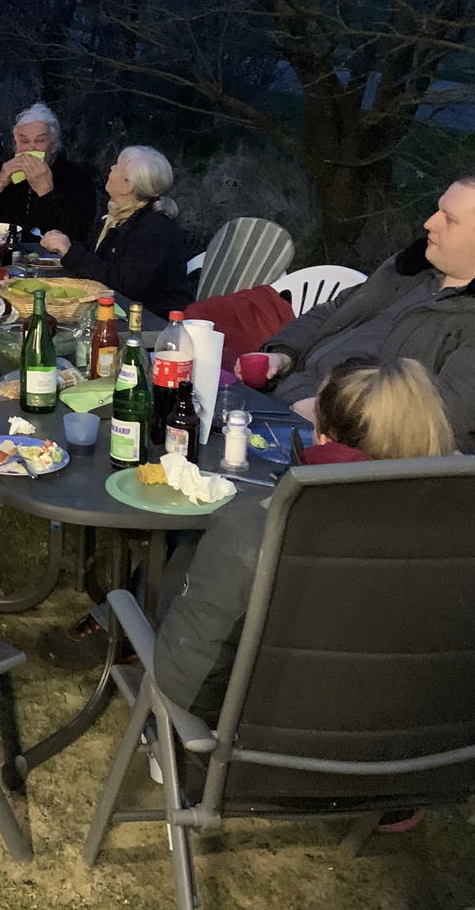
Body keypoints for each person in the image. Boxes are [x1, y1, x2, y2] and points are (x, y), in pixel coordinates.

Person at [152, 358, 455, 723]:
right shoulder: (456, 530)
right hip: (425, 752)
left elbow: (187, 682)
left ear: (322, 435)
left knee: (185, 557)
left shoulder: (261, 529)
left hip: (262, 755)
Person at [235, 174, 475, 449]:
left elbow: (440, 418)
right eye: (437, 209)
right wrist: (282, 355)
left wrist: (332, 414)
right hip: (283, 401)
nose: (429, 223)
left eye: (449, 219)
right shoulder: (408, 269)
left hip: (347, 445)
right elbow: (332, 311)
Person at [41, 145, 193, 313]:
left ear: (127, 185)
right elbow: (96, 256)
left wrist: (71, 252)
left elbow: (124, 286)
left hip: (150, 320)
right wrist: (65, 246)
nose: (111, 168)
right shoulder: (117, 215)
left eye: (117, 167)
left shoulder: (155, 229)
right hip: (117, 309)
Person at [0, 101, 98, 238]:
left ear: (53, 145)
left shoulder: (77, 177)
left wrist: (46, 192)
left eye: (40, 141)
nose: (31, 148)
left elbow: (76, 231)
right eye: (24, 141)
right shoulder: (3, 169)